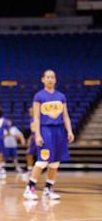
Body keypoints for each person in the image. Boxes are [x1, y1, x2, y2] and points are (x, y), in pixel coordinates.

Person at [23, 70, 74, 200]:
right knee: (42, 160)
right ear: (43, 80)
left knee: (55, 162)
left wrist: (69, 131)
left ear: (55, 80)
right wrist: (38, 135)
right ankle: (29, 188)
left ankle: (48, 189)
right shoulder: (39, 96)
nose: (50, 79)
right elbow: (36, 117)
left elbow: (65, 116)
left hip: (59, 131)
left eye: (52, 77)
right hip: (46, 130)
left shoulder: (61, 96)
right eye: (48, 77)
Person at [26, 107, 38, 173]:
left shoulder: (40, 119)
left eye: (31, 111)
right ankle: (30, 170)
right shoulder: (31, 120)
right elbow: (32, 132)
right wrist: (29, 139)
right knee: (29, 154)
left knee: (42, 156)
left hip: (39, 139)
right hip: (33, 139)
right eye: (29, 111)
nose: (30, 113)